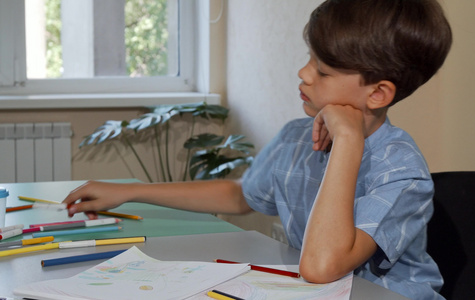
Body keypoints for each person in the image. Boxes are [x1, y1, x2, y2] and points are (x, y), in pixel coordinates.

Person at [63, 0, 452, 298]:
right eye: (309, 60)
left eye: (323, 71)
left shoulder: (400, 172)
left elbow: (321, 265)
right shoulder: (297, 136)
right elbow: (239, 195)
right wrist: (131, 191)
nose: (303, 73)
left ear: (379, 93)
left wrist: (348, 141)